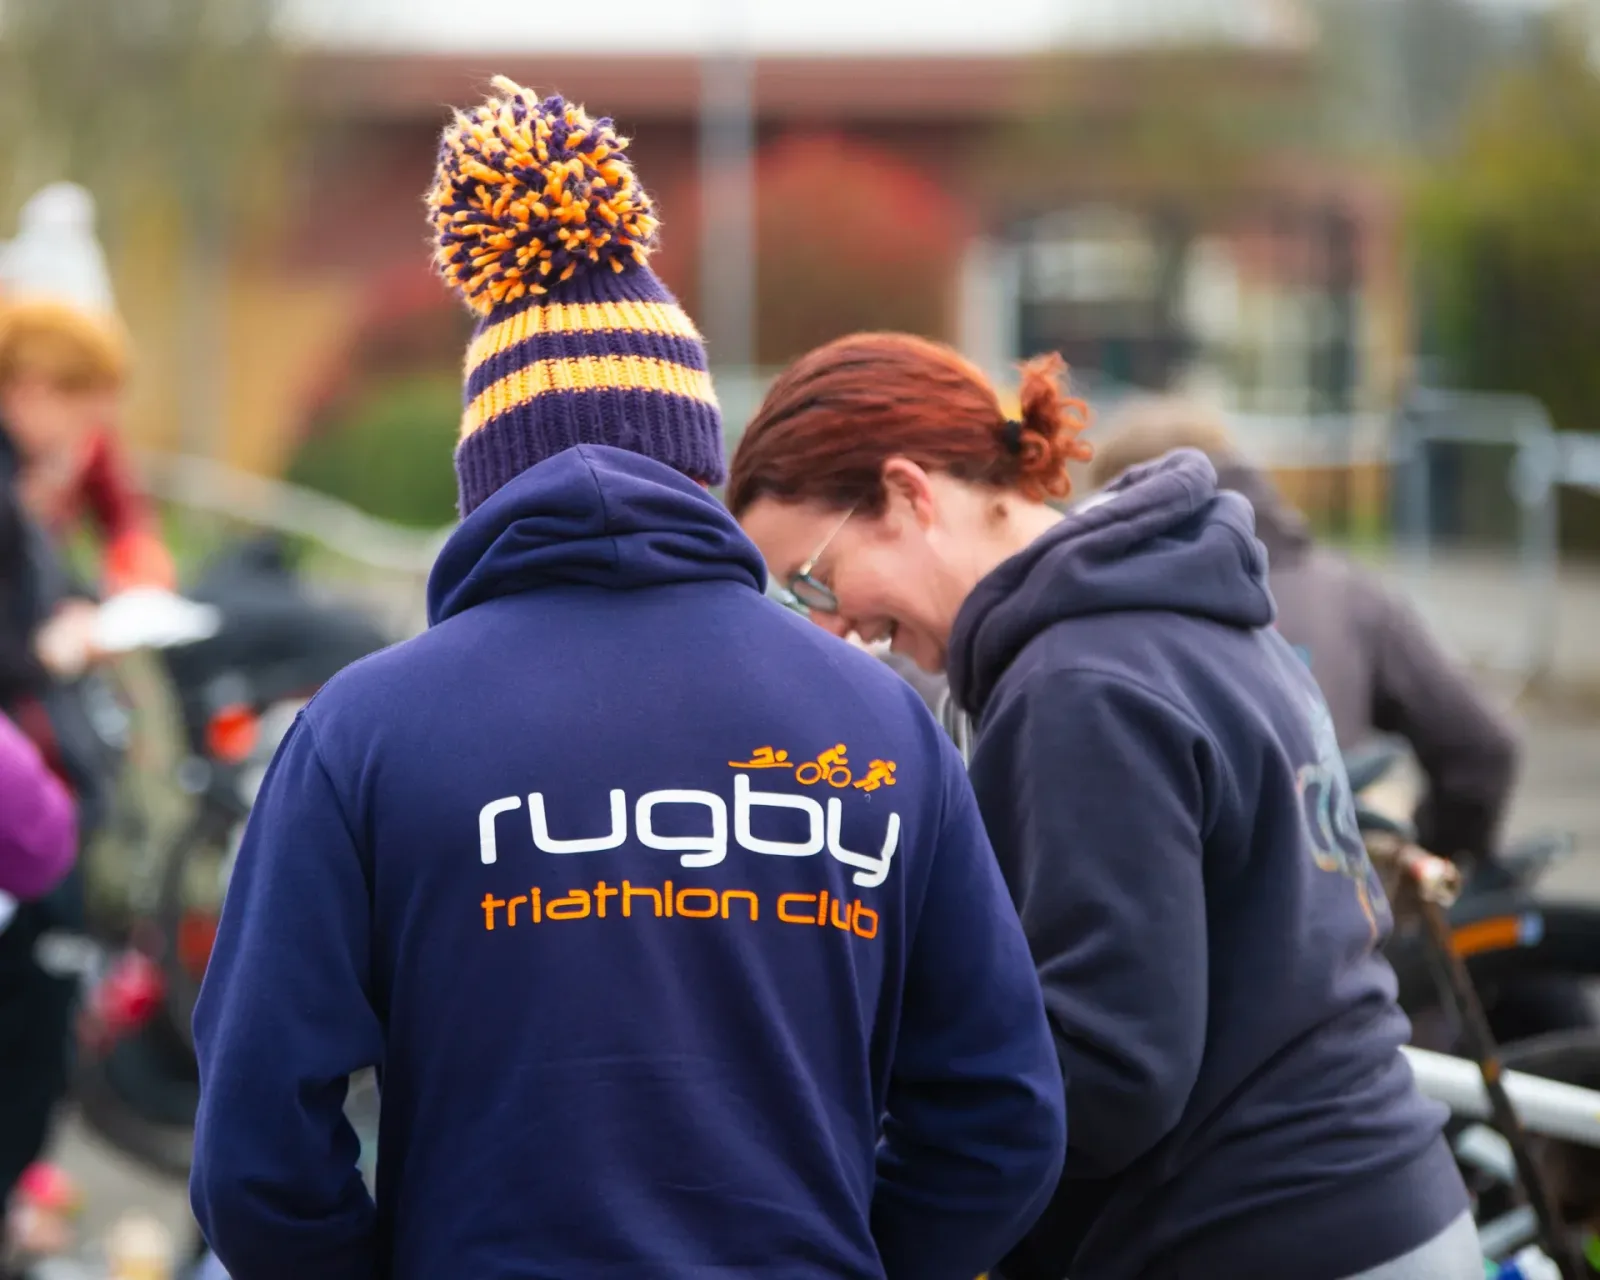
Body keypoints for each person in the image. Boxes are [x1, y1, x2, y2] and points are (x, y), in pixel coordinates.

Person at [190, 79, 1064, 1280]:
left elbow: (255, 1150)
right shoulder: (879, 721)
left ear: (484, 477)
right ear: (698, 465)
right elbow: (1002, 1114)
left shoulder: (365, 731)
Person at [728, 334, 1478, 1280]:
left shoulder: (1081, 681)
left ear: (911, 495)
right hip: (1375, 1212)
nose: (831, 630)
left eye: (814, 582)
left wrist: (882, 1211)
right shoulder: (1174, 614)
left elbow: (1107, 1069)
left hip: (1255, 1237)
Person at [1086, 395, 1519, 868]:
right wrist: (1428, 852)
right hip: (1341, 892)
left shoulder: (1109, 619)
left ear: (1119, 498)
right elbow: (1481, 749)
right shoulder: (1347, 592)